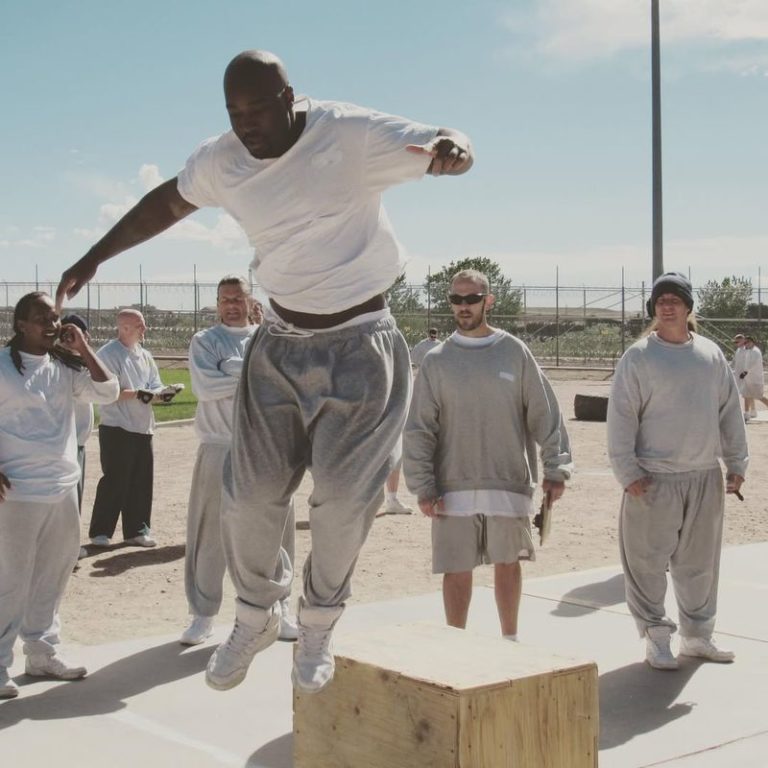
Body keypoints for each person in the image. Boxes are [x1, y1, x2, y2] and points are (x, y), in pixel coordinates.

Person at [55, 49, 473, 694]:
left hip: (361, 344)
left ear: (289, 97)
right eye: (235, 112)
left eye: (257, 109)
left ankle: (320, 622)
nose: (246, 123)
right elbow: (164, 204)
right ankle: (255, 614)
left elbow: (444, 139)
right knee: (248, 495)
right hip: (279, 345)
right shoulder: (222, 159)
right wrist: (94, 257)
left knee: (343, 500)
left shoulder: (346, 131)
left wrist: (455, 149)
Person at [403, 270, 572, 641]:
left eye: (472, 298)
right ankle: (456, 645)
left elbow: (545, 413)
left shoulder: (515, 352)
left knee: (508, 564)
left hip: (508, 481)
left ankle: (510, 642)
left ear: (488, 301)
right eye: (456, 299)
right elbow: (419, 428)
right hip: (451, 486)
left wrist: (556, 468)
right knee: (456, 568)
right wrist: (422, 485)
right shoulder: (437, 361)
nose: (463, 306)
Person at [607, 272, 747, 670]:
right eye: (660, 300)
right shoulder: (638, 357)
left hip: (703, 476)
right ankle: (656, 636)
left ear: (688, 307)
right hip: (652, 480)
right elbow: (621, 417)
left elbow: (729, 411)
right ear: (653, 308)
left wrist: (736, 462)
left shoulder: (710, 354)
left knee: (699, 564)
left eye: (675, 299)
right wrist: (627, 471)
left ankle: (698, 635)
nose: (667, 306)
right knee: (646, 564)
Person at [0, 292, 118, 699]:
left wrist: (82, 347)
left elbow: (108, 391)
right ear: (20, 324)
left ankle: (42, 652)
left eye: (54, 317)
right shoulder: (2, 366)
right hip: (17, 492)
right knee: (10, 580)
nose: (51, 324)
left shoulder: (64, 366)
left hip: (63, 487)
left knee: (53, 574)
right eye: (41, 318)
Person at [181, 275, 298, 646]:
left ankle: (280, 605)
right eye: (224, 299)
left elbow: (288, 386)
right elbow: (205, 388)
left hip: (268, 448)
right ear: (217, 303)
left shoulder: (271, 338)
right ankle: (203, 614)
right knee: (210, 532)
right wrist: (257, 375)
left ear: (251, 300)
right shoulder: (205, 341)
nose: (231, 304)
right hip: (220, 445)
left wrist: (232, 369)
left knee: (276, 531)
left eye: (237, 298)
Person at [88, 309, 174, 548]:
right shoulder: (108, 354)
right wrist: (139, 393)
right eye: (139, 325)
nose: (144, 329)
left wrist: (164, 393)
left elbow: (155, 385)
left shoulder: (145, 355)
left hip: (143, 426)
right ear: (124, 328)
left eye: (143, 324)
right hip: (116, 426)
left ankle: (137, 530)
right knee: (115, 480)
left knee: (141, 480)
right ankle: (100, 532)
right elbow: (108, 392)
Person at [61, 313, 93, 560]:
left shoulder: (82, 361)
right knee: (67, 501)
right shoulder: (62, 363)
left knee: (74, 500)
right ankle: (66, 551)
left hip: (79, 441)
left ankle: (70, 547)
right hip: (66, 442)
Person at [740, 336, 768, 419]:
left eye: (748, 342)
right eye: (745, 342)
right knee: (746, 395)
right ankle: (748, 413)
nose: (746, 344)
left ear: (752, 342)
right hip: (748, 379)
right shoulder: (748, 351)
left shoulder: (756, 351)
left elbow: (752, 364)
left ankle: (749, 412)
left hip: (755, 379)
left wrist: (745, 372)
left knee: (759, 396)